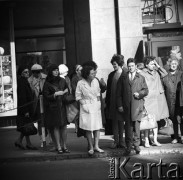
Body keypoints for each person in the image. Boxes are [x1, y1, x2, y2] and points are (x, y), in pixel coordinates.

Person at [117, 58, 149, 155]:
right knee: (128, 127)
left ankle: (136, 145)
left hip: (137, 105)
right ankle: (128, 146)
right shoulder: (123, 78)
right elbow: (118, 93)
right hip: (126, 106)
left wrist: (139, 94)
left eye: (132, 66)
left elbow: (146, 90)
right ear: (127, 66)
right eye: (129, 66)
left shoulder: (141, 77)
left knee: (136, 126)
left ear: (135, 66)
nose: (130, 68)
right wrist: (120, 105)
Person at [75, 62, 104, 155]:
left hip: (96, 104)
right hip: (86, 105)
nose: (94, 75)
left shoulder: (96, 81)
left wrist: (99, 102)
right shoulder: (80, 83)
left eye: (94, 73)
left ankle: (96, 146)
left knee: (97, 127)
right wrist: (84, 105)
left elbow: (99, 93)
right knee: (88, 128)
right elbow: (78, 96)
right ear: (87, 74)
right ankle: (90, 147)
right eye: (91, 73)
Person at [141, 56, 169, 147]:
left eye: (154, 63)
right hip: (148, 99)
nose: (153, 65)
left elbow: (165, 74)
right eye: (151, 63)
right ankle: (146, 141)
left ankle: (155, 140)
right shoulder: (142, 73)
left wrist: (158, 65)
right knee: (148, 121)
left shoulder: (157, 72)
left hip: (157, 99)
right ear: (146, 65)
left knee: (155, 121)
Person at [43, 64, 69, 154]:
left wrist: (65, 92)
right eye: (54, 70)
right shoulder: (47, 82)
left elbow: (67, 90)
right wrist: (55, 94)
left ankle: (64, 146)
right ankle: (58, 146)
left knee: (64, 127)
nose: (56, 72)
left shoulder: (62, 80)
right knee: (56, 127)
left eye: (57, 70)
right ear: (50, 71)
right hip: (53, 108)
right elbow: (46, 96)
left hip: (62, 106)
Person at [105, 54, 127, 149]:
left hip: (122, 102)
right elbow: (108, 90)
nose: (114, 66)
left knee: (121, 121)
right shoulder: (111, 75)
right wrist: (107, 102)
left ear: (120, 63)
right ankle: (116, 141)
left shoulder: (125, 74)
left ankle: (122, 141)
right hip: (112, 102)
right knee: (114, 122)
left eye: (115, 64)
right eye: (113, 64)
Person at [15, 65, 37, 150]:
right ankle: (24, 142)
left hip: (27, 108)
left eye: (28, 72)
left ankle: (23, 142)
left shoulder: (25, 81)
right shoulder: (21, 82)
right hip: (25, 108)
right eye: (25, 72)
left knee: (27, 126)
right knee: (26, 126)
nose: (27, 73)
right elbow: (22, 97)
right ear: (21, 73)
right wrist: (26, 111)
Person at [162, 59, 183, 144]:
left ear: (177, 65)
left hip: (180, 100)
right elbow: (163, 90)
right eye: (172, 64)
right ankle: (175, 137)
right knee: (174, 119)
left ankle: (182, 136)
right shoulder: (165, 77)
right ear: (169, 65)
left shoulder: (181, 74)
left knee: (181, 119)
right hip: (170, 101)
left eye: (175, 64)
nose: (173, 65)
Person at [28, 63, 48, 147]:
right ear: (32, 72)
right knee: (40, 121)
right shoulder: (29, 80)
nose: (37, 73)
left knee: (47, 120)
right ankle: (42, 139)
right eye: (35, 72)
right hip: (36, 103)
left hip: (46, 102)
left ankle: (48, 138)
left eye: (39, 71)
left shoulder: (45, 77)